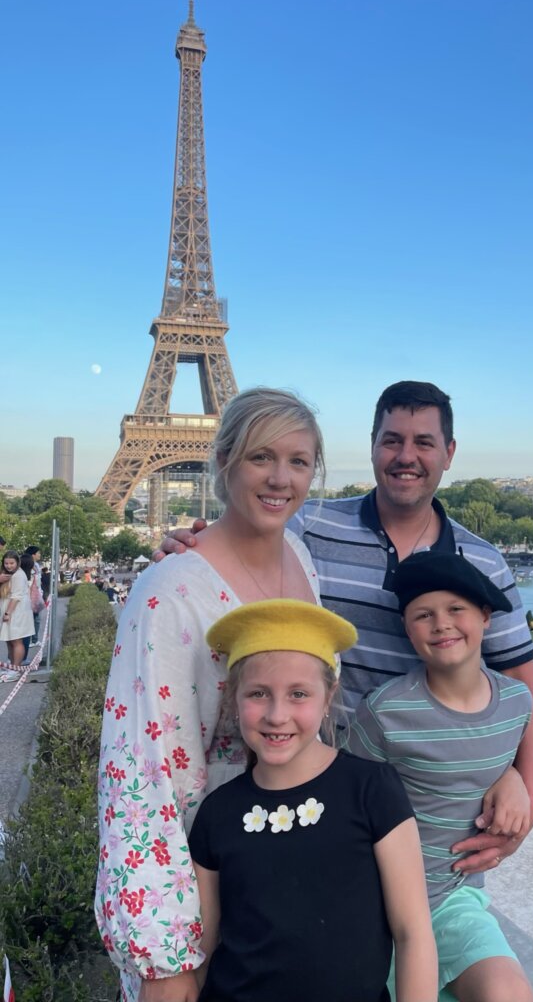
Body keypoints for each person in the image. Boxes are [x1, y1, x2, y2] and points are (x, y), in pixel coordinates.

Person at [159, 381, 533, 871]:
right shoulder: (307, 530)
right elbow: (240, 542)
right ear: (372, 446)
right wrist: (193, 548)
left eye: (424, 442)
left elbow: (520, 688)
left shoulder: (484, 563)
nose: (406, 456)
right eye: (392, 440)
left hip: (429, 817)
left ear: (449, 453)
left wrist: (523, 793)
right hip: (315, 795)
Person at [95, 387, 326, 1002]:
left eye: (299, 461)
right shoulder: (167, 592)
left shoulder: (304, 560)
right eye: (260, 457)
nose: (280, 478)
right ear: (222, 460)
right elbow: (141, 780)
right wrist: (167, 962)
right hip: (206, 893)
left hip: (292, 884)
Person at [190, 599, 437, 1002]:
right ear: (234, 698)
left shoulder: (371, 790)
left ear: (328, 696)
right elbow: (203, 946)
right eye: (258, 693)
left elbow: (412, 932)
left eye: (299, 694)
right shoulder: (218, 813)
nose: (276, 714)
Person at [347, 551, 533, 1002]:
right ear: (407, 629)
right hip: (379, 904)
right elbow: (346, 800)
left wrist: (515, 777)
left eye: (457, 610)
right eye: (423, 615)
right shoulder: (384, 711)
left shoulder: (516, 702)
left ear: (486, 617)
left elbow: (493, 759)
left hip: (455, 899)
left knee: (509, 994)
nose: (442, 624)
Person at [0, 550, 35, 677]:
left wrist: (8, 613)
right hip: (8, 610)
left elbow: (16, 596)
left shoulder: (19, 575)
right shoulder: (5, 574)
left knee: (16, 640)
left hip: (16, 612)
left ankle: (16, 668)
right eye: (6, 563)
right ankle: (12, 665)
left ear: (17, 562)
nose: (9, 566)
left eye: (11, 563)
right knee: (9, 640)